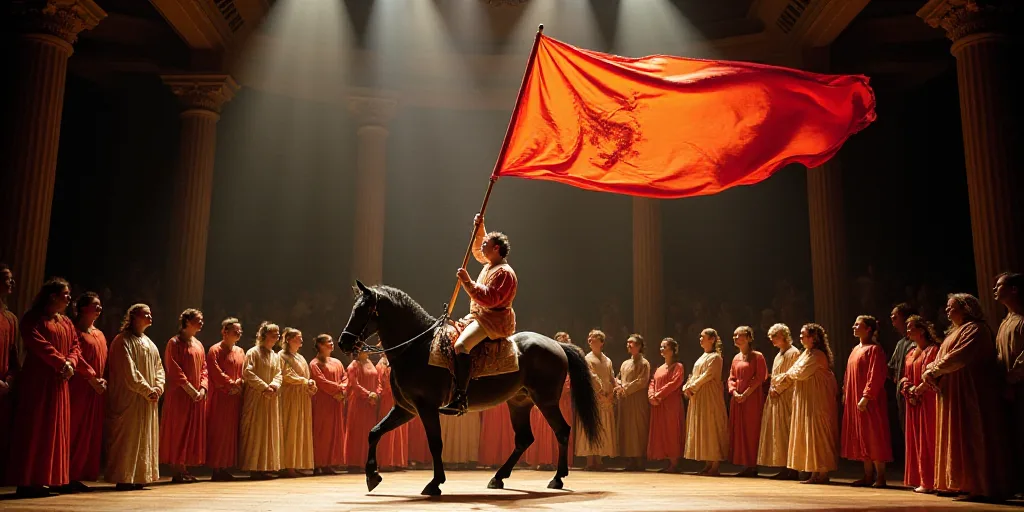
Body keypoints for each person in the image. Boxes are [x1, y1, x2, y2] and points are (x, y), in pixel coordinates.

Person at [923, 293, 1011, 502]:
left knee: (973, 434)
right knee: (957, 435)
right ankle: (962, 482)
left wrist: (933, 370)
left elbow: (959, 356)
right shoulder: (956, 331)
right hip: (954, 391)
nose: (947, 310)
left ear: (966, 309)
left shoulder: (976, 329)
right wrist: (931, 369)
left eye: (952, 307)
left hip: (971, 391)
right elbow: (942, 356)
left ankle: (980, 484)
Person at [7, 278, 80, 497]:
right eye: (65, 294)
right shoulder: (33, 318)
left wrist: (71, 364)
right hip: (39, 381)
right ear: (52, 296)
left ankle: (46, 479)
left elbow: (75, 346)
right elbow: (37, 343)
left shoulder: (66, 322)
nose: (68, 298)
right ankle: (28, 480)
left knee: (54, 429)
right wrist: (62, 362)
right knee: (36, 428)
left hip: (59, 380)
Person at [441, 214, 518, 415]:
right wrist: (481, 227)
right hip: (479, 316)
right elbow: (477, 250)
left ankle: (460, 395)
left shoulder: (505, 273)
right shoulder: (490, 264)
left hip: (493, 320)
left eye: (487, 244)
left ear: (496, 249)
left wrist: (467, 282)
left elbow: (490, 299)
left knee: (461, 345)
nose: (482, 247)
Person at [104, 304, 164, 490]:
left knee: (144, 436)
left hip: (147, 400)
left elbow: (159, 369)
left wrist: (158, 388)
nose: (150, 316)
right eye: (145, 314)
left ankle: (140, 476)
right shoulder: (122, 341)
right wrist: (147, 390)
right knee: (127, 437)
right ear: (134, 317)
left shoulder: (150, 343)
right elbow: (128, 372)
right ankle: (124, 476)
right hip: (129, 398)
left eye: (150, 313)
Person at [782, 323, 838, 485]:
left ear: (813, 338)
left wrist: (790, 374)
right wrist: (790, 374)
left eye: (803, 334)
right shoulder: (806, 353)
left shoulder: (818, 355)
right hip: (807, 398)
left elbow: (799, 372)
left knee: (818, 433)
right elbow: (794, 371)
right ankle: (815, 471)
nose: (800, 337)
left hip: (817, 399)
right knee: (809, 433)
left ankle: (821, 471)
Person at [841, 315, 891, 488]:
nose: (854, 327)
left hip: (870, 399)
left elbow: (875, 374)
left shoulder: (874, 349)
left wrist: (867, 396)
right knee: (862, 435)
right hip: (855, 397)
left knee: (874, 434)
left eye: (858, 324)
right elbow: (848, 374)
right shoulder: (856, 349)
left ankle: (881, 476)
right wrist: (846, 393)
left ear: (868, 328)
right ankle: (868, 475)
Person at [160, 309, 209, 483]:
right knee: (178, 429)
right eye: (198, 320)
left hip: (195, 394)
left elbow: (204, 368)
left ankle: (184, 466)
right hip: (180, 394)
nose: (201, 323)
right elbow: (174, 369)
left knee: (190, 430)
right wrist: (190, 389)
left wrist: (202, 388)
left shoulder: (198, 344)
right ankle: (176, 467)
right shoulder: (174, 343)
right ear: (187, 322)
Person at [67, 292, 108, 491]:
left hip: (95, 388)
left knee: (88, 431)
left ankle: (78, 473)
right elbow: (75, 356)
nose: (99, 309)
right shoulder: (73, 331)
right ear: (83, 308)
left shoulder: (99, 334)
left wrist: (101, 380)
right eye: (95, 305)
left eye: (100, 305)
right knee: (74, 429)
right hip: (79, 385)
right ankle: (65, 474)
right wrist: (90, 377)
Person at [900, 315, 940, 493]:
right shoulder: (910, 353)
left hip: (929, 399)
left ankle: (933, 480)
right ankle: (922, 478)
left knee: (929, 437)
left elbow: (936, 374)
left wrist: (921, 388)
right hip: (914, 401)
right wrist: (908, 389)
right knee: (916, 438)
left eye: (911, 327)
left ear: (922, 330)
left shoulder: (933, 350)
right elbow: (904, 376)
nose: (907, 330)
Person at [682, 328, 729, 476]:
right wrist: (687, 386)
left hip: (710, 396)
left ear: (712, 339)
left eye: (703, 337)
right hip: (699, 395)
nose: (700, 339)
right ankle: (708, 463)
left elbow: (707, 375)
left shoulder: (715, 357)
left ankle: (715, 464)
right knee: (704, 428)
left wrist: (692, 387)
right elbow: (694, 375)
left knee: (712, 426)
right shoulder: (702, 356)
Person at [757, 323, 801, 480]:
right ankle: (784, 466)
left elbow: (791, 376)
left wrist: (779, 389)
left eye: (774, 336)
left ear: (783, 335)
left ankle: (793, 468)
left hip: (786, 396)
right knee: (779, 432)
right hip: (775, 396)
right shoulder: (779, 354)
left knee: (786, 430)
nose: (772, 340)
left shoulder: (793, 353)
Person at [994, 272, 1024, 495]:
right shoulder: (1006, 321)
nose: (995, 289)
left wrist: (1013, 376)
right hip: (1007, 386)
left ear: (1014, 289)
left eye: (1000, 285)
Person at [206, 317, 246, 481]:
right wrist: (230, 384)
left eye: (239, 330)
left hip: (234, 397)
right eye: (235, 330)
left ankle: (225, 466)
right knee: (219, 432)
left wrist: (240, 383)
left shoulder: (240, 351)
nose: (238, 333)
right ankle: (216, 467)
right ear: (225, 332)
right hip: (221, 396)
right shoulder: (215, 350)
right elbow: (215, 372)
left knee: (230, 433)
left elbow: (245, 370)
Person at [727, 326, 767, 477]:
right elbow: (731, 378)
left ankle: (753, 464)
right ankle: (745, 464)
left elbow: (760, 377)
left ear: (749, 338)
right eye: (734, 335)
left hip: (752, 399)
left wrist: (746, 393)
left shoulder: (757, 356)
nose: (736, 338)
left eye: (740, 335)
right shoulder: (736, 358)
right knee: (740, 430)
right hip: (738, 398)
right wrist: (735, 392)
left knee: (751, 430)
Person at [647, 337, 685, 472]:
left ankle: (674, 462)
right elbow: (652, 382)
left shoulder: (678, 366)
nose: (662, 349)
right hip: (659, 404)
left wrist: (658, 395)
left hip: (671, 404)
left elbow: (675, 383)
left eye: (665, 347)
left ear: (673, 350)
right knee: (662, 431)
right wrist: (651, 395)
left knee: (672, 431)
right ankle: (667, 460)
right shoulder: (660, 368)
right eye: (661, 347)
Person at [617, 334, 651, 471]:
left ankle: (640, 459)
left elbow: (642, 381)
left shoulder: (644, 363)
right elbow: (618, 377)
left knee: (638, 428)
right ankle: (629, 459)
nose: (629, 345)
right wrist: (618, 385)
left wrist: (625, 388)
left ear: (639, 346)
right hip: (626, 400)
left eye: (632, 343)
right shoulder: (625, 363)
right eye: (628, 343)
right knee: (627, 428)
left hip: (637, 399)